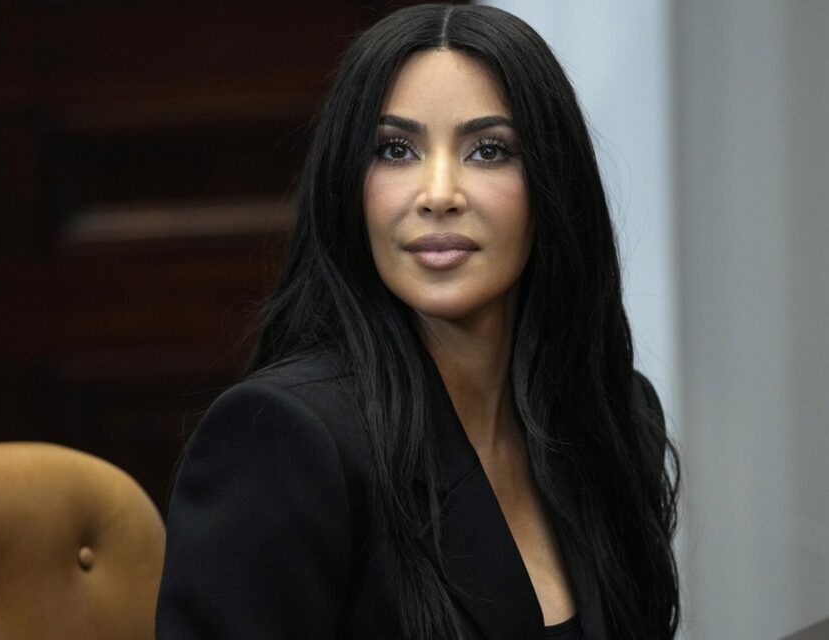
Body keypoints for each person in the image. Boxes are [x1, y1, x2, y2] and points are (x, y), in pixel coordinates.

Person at [156, 4, 679, 640]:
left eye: (489, 150)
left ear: (553, 183)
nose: (438, 194)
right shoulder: (282, 441)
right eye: (396, 150)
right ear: (349, 185)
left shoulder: (616, 417)